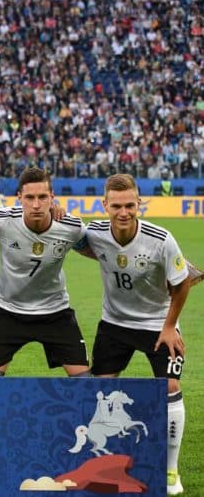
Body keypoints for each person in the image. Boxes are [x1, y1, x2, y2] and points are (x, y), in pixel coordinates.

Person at [84, 174, 190, 495]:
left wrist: (170, 326)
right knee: (99, 392)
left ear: (139, 203)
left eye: (130, 205)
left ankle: (171, 470)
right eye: (116, 206)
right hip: (114, 324)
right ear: (104, 205)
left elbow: (182, 283)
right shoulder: (94, 233)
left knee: (170, 387)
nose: (124, 212)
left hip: (157, 325)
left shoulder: (162, 239)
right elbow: (67, 237)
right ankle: (105, 462)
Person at [0, 168, 90, 377]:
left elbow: (95, 248)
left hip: (55, 312)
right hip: (8, 312)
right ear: (19, 198)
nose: (36, 204)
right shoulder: (1, 220)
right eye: (30, 197)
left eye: (42, 197)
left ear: (52, 198)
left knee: (85, 383)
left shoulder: (71, 226)